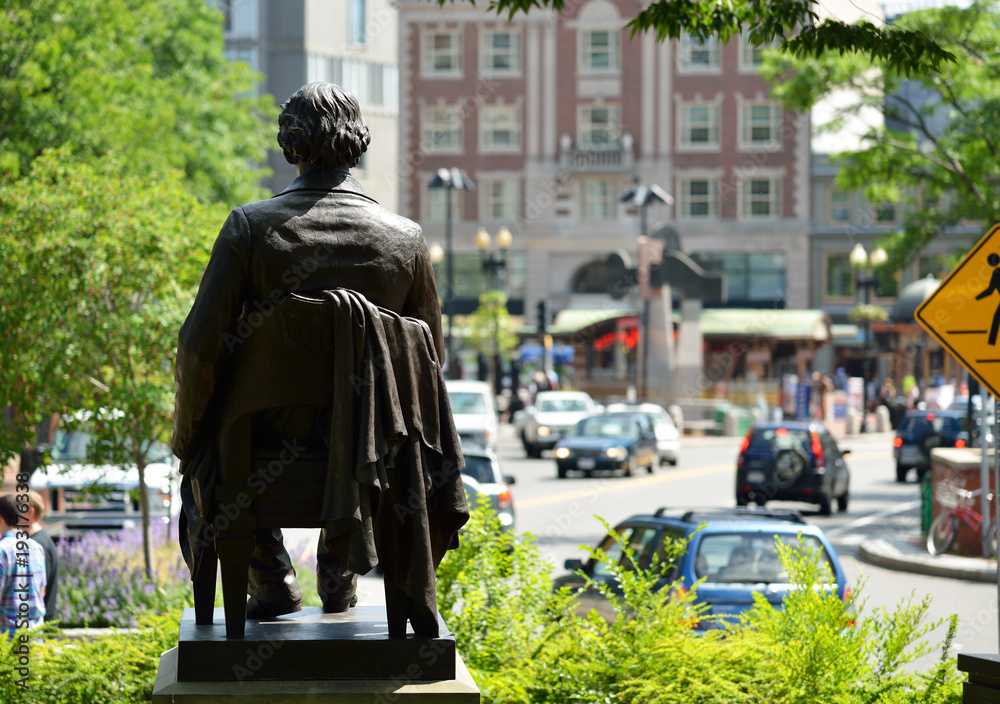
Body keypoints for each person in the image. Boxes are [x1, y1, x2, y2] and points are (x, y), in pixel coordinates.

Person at [172, 83, 465, 631]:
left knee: (215, 441)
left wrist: (187, 434)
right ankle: (338, 565)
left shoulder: (250, 229)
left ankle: (271, 577)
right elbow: (429, 358)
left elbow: (198, 347)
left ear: (291, 143)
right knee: (370, 417)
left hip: (259, 448)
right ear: (359, 144)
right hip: (376, 455)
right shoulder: (405, 240)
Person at [0, 494, 46, 636]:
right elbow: (42, 591)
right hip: (35, 636)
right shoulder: (37, 547)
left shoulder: (2, 550)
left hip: (8, 640)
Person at [26, 491, 58, 622]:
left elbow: (38, 590)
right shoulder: (41, 540)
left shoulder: (38, 544)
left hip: (41, 627)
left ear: (30, 512)